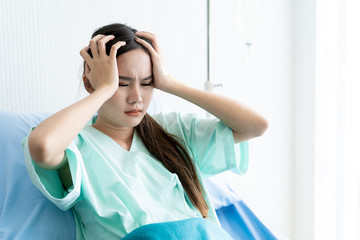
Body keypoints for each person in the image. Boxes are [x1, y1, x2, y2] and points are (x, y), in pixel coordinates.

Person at [22, 23, 268, 239]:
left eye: (148, 83)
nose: (137, 98)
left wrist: (169, 82)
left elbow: (256, 125)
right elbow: (42, 147)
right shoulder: (76, 145)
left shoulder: (172, 131)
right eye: (122, 83)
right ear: (90, 83)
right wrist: (104, 88)